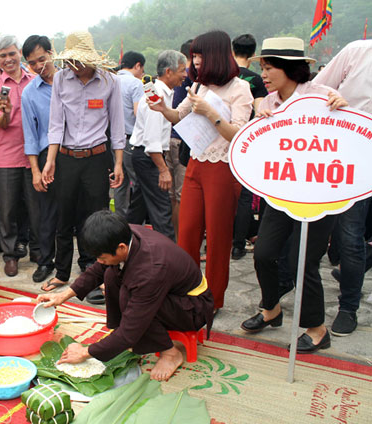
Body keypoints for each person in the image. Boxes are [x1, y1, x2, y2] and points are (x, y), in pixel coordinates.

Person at [239, 37, 347, 353]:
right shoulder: (267, 103)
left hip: (319, 195)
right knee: (263, 253)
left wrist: (342, 108)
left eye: (269, 68)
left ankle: (317, 329)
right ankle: (271, 309)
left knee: (302, 260)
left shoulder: (323, 98)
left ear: (289, 68)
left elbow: (346, 137)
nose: (265, 75)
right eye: (263, 68)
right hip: (282, 192)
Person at [38, 210, 213, 382]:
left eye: (102, 257)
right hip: (172, 294)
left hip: (193, 309)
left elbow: (132, 328)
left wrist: (85, 352)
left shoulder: (150, 269)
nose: (99, 261)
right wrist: (62, 296)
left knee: (128, 296)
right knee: (110, 274)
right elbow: (99, 269)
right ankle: (118, 333)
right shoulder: (123, 234)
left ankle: (170, 353)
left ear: (121, 247)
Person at [149, 30, 253, 311]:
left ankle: (213, 300)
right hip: (195, 164)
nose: (194, 63)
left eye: (199, 56)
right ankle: (188, 290)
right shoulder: (200, 87)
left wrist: (210, 112)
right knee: (187, 233)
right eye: (193, 57)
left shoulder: (239, 88)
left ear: (216, 56)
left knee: (218, 238)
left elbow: (239, 135)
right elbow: (177, 116)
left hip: (222, 168)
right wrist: (161, 108)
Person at [41, 31, 124, 296]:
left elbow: (118, 125)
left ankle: (92, 272)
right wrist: (50, 161)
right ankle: (62, 272)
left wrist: (119, 163)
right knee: (64, 216)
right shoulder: (60, 80)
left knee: (95, 218)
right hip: (66, 158)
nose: (74, 67)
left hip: (97, 158)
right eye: (71, 61)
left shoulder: (110, 81)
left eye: (79, 61)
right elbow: (55, 125)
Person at [314, 39, 372, 336]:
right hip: (335, 157)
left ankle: (348, 307)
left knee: (352, 238)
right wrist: (334, 99)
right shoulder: (357, 52)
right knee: (327, 235)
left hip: (366, 166)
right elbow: (315, 89)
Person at [0, 34, 39, 277]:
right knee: (7, 210)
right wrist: (5, 112)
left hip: (34, 155)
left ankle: (38, 250)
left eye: (12, 53)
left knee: (36, 206)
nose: (8, 59)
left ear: (20, 53)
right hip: (6, 157)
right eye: (3, 55)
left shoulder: (35, 81)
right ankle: (10, 255)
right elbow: (0, 125)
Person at [129, 50, 188, 241]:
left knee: (138, 209)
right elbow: (152, 141)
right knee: (162, 210)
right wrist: (163, 170)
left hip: (143, 156)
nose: (185, 75)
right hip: (149, 157)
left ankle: (126, 243)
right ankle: (170, 258)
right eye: (182, 70)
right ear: (169, 71)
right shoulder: (157, 95)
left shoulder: (159, 91)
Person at [21, 35, 59, 283]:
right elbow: (30, 135)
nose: (38, 66)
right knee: (47, 211)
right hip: (47, 157)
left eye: (42, 59)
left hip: (76, 152)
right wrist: (36, 170)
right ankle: (46, 261)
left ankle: (89, 262)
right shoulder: (29, 93)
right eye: (32, 63)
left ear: (52, 53)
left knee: (80, 212)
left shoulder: (73, 81)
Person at [231, 34, 269, 260]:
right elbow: (260, 112)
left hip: (220, 140)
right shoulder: (256, 80)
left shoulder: (224, 75)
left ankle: (216, 240)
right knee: (244, 196)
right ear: (254, 55)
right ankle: (238, 245)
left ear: (232, 50)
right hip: (245, 142)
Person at [166, 39, 193, 236]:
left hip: (169, 138)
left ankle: (178, 239)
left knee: (174, 196)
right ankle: (183, 240)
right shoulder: (193, 79)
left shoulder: (171, 80)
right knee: (183, 196)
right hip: (183, 141)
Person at [114, 51, 146, 218]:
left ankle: (120, 221)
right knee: (138, 183)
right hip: (130, 140)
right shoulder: (135, 83)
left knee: (119, 183)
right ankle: (135, 223)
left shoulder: (111, 80)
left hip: (112, 140)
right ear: (137, 65)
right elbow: (138, 112)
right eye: (142, 69)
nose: (143, 73)